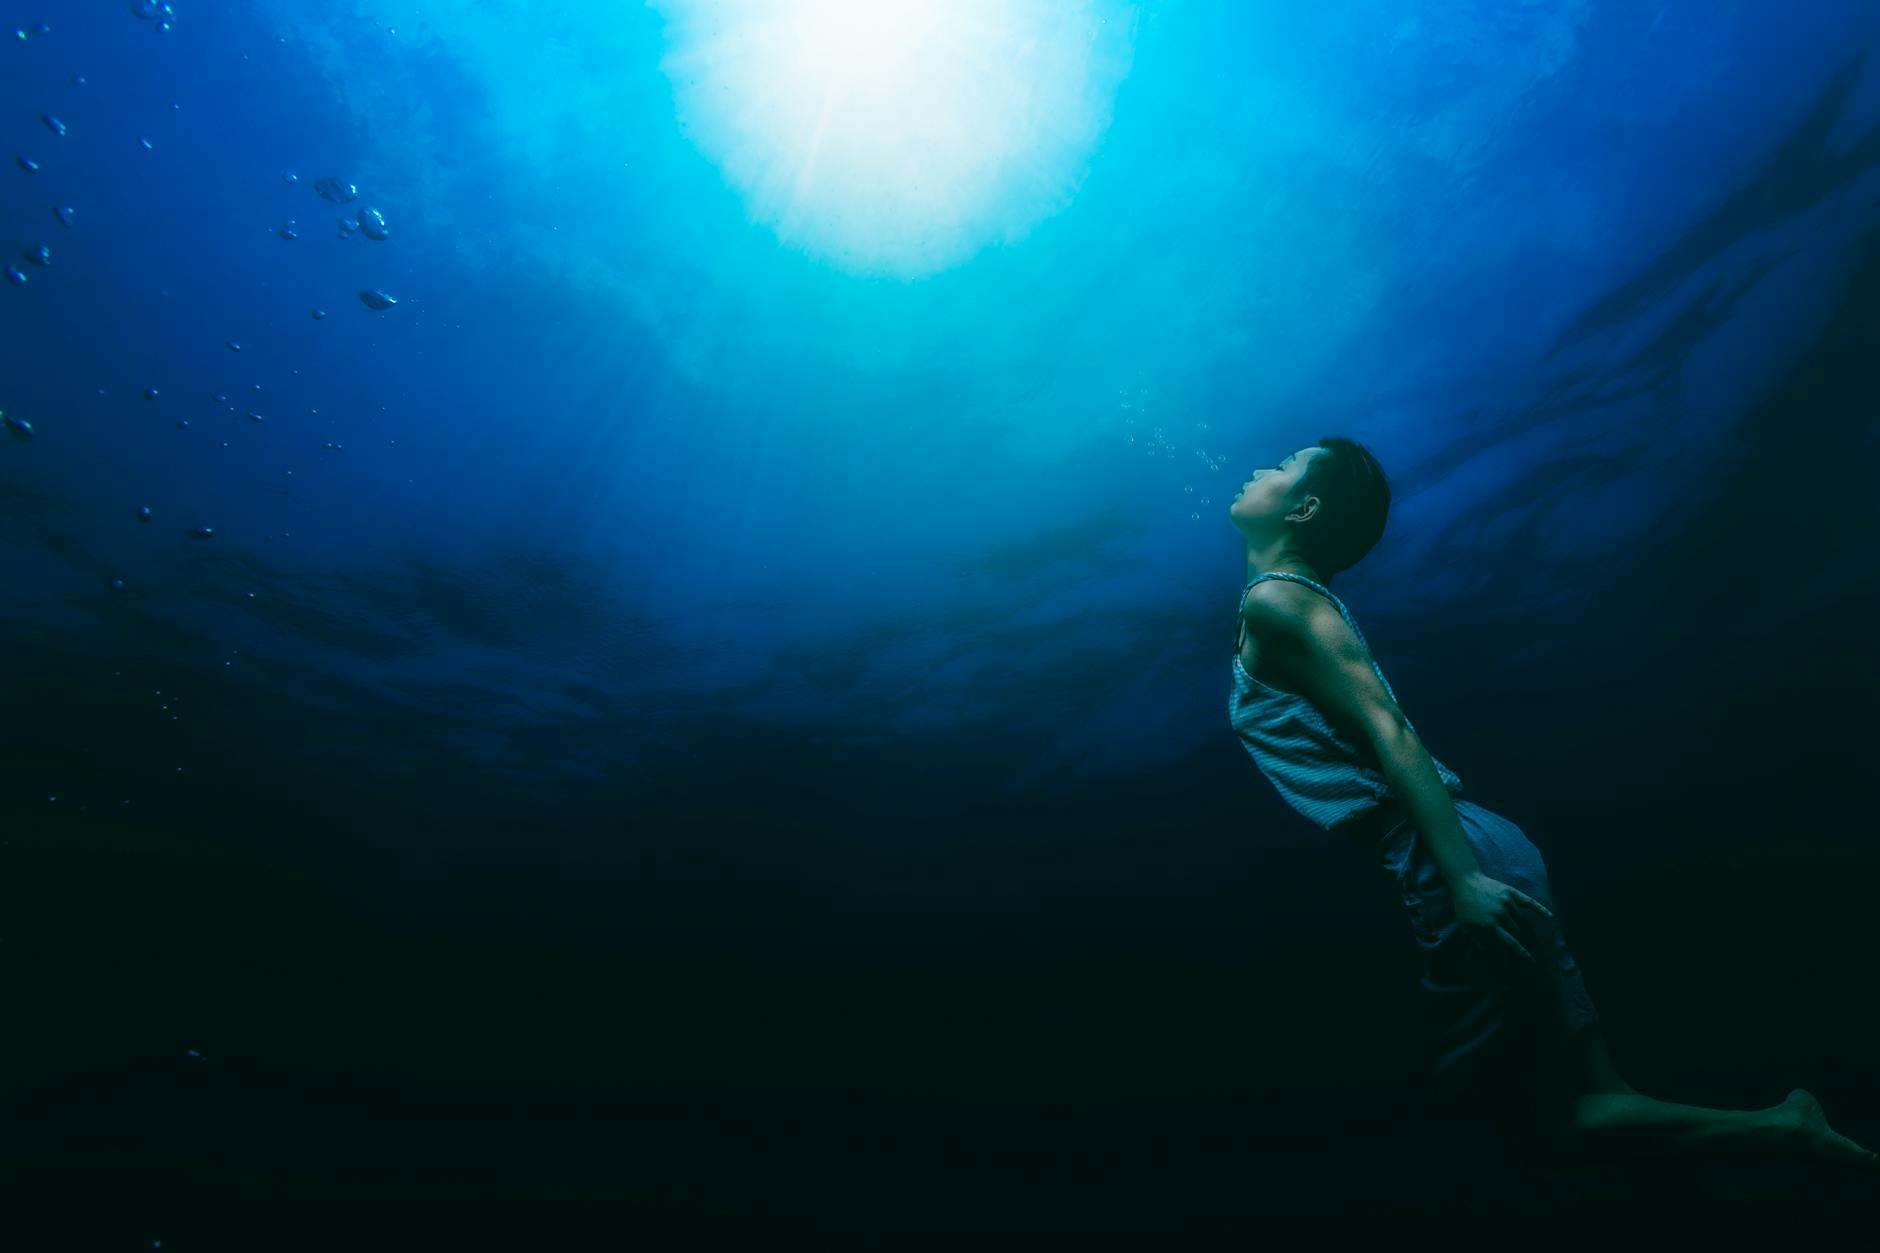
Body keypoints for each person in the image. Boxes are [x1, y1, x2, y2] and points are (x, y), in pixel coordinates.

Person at [1226, 437, 1878, 1171]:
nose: (1259, 469)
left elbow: (1391, 729)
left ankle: (1785, 1129)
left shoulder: (1279, 601)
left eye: (1280, 466)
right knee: (1597, 1093)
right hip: (1482, 846)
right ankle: (1765, 1158)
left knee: (1530, 1123)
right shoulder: (1288, 603)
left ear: (1305, 507)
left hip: (1454, 860)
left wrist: (1465, 879)